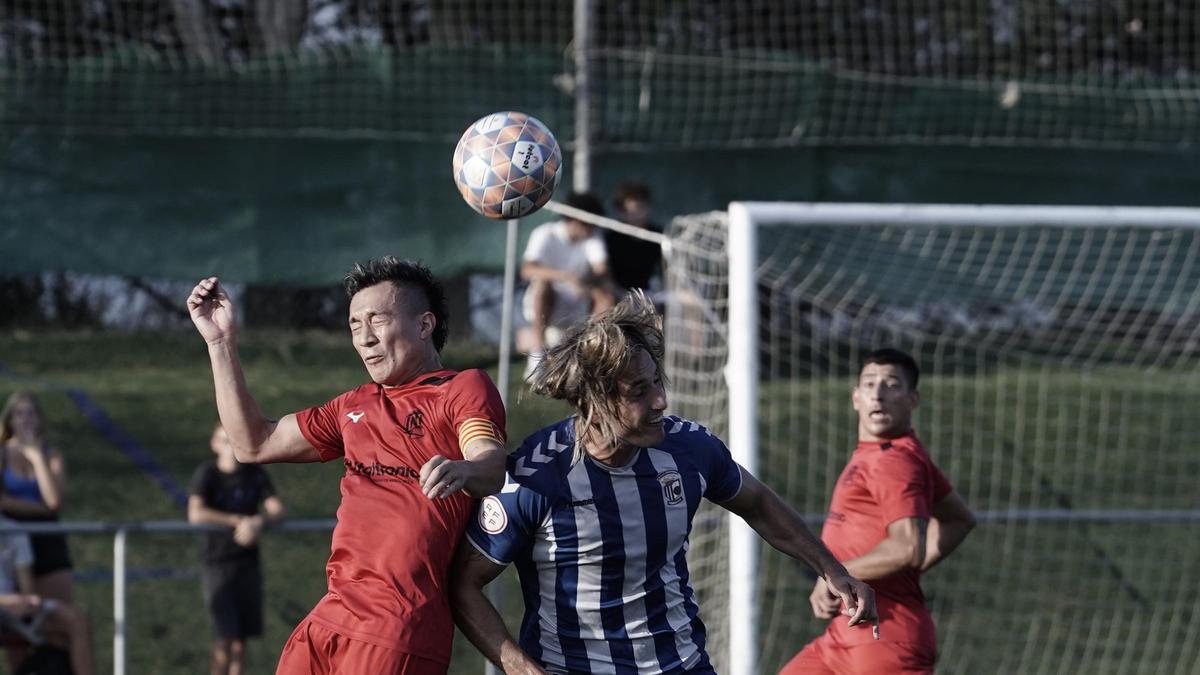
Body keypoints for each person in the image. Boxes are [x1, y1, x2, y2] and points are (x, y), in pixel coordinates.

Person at [450, 291, 878, 674]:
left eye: (657, 381)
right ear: (594, 400)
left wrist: (832, 570)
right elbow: (465, 585)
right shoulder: (534, 476)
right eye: (638, 391)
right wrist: (521, 669)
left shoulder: (689, 448)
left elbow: (760, 504)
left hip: (681, 664)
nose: (661, 400)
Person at [186, 257, 508, 675]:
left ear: (424, 325)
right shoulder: (352, 405)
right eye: (355, 325)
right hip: (329, 618)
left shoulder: (461, 388)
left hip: (398, 626)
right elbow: (252, 444)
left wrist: (465, 469)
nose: (365, 338)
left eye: (377, 320)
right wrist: (220, 343)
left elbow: (490, 463)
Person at [780, 349, 976, 675]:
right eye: (869, 384)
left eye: (892, 384)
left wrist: (834, 576)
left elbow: (906, 548)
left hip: (885, 635)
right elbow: (960, 519)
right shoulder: (892, 453)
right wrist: (899, 571)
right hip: (844, 637)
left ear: (913, 399)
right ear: (856, 397)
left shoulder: (894, 460)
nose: (879, 393)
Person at [188, 423, 286, 675]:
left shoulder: (254, 473)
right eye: (224, 440)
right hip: (218, 562)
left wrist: (258, 522)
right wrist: (237, 521)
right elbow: (196, 513)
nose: (230, 446)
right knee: (224, 637)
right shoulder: (207, 473)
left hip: (247, 562)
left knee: (241, 640)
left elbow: (277, 510)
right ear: (215, 444)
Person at [518, 191, 618, 377]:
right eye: (589, 222)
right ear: (575, 220)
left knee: (606, 296)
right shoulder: (545, 233)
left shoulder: (592, 237)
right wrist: (565, 276)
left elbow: (601, 269)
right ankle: (537, 354)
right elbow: (527, 270)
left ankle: (596, 355)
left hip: (579, 301)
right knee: (542, 284)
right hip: (547, 302)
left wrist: (584, 282)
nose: (593, 227)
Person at [0, 392, 74, 605]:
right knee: (19, 618)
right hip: (10, 540)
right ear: (10, 420)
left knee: (57, 617)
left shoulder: (51, 455)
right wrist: (43, 510)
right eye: (19, 413)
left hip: (47, 541)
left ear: (40, 419)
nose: (26, 419)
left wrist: (36, 457)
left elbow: (54, 501)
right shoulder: (2, 454)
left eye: (31, 413)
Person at [0, 516, 94, 675]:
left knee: (77, 621)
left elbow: (26, 586)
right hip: (5, 603)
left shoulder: (13, 530)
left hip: (11, 609)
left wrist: (28, 601)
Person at [605, 180, 663, 295]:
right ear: (622, 211)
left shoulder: (658, 236)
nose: (637, 214)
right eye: (631, 210)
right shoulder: (611, 237)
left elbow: (666, 270)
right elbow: (605, 273)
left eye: (640, 207)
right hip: (618, 293)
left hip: (650, 292)